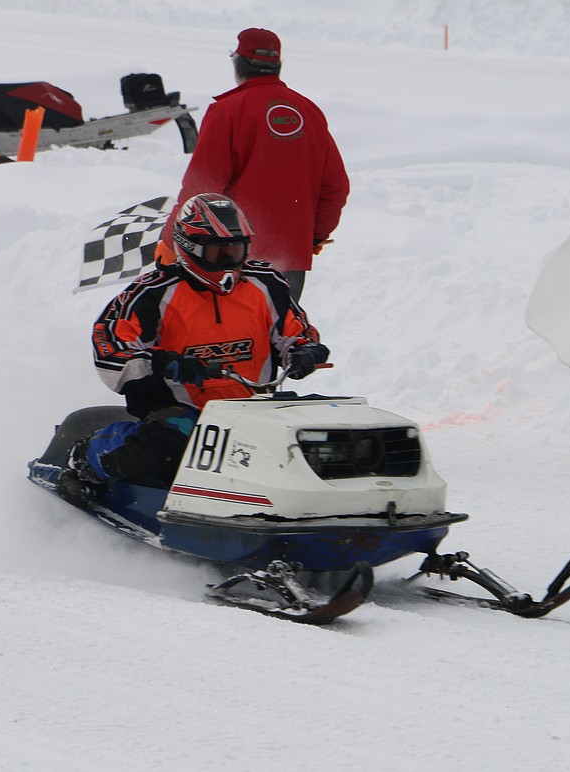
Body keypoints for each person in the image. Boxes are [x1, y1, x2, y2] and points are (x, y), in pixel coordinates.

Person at [57, 193, 330, 508]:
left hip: (254, 408)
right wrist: (161, 363)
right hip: (183, 410)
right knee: (165, 450)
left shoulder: (266, 284)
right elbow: (110, 343)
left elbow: (296, 331)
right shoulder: (153, 293)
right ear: (190, 249)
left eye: (237, 251)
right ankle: (88, 455)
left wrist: (304, 351)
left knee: (316, 438)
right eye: (219, 253)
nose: (230, 262)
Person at [160, 28, 350, 301]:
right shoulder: (308, 111)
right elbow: (335, 186)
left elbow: (202, 187)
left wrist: (171, 239)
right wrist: (314, 236)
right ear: (277, 66)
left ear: (239, 63)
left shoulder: (227, 111)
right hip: (289, 259)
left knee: (228, 339)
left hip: (227, 258)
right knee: (279, 337)